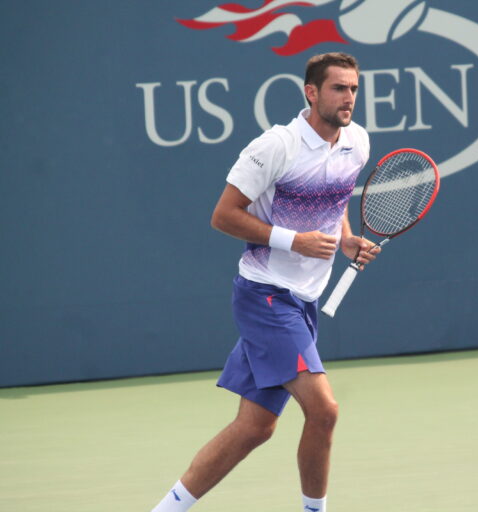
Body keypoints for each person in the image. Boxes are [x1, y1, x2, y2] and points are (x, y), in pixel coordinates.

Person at [150, 52, 377, 512]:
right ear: (311, 93)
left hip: (304, 301)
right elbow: (223, 216)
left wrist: (347, 240)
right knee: (325, 410)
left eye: (353, 88)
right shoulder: (276, 146)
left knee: (255, 428)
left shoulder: (358, 142)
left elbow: (335, 205)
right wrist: (294, 241)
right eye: (338, 88)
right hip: (265, 296)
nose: (349, 97)